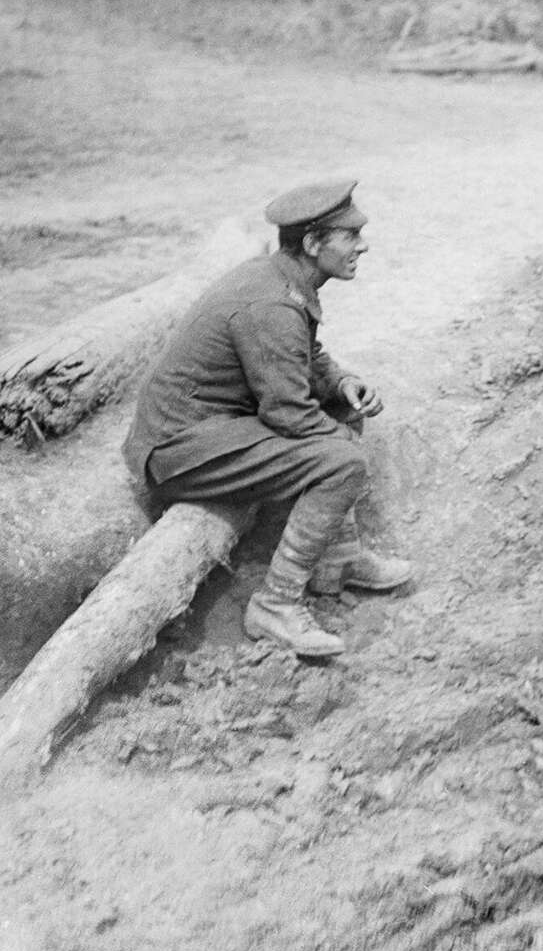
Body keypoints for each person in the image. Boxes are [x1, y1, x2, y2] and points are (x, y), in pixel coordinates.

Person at [123, 180, 410, 660]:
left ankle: (337, 559)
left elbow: (304, 353)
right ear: (314, 244)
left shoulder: (282, 279)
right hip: (180, 448)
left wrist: (339, 382)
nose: (362, 245)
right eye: (350, 235)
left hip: (214, 427)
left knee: (340, 415)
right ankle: (276, 605)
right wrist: (344, 446)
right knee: (341, 461)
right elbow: (288, 413)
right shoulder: (270, 303)